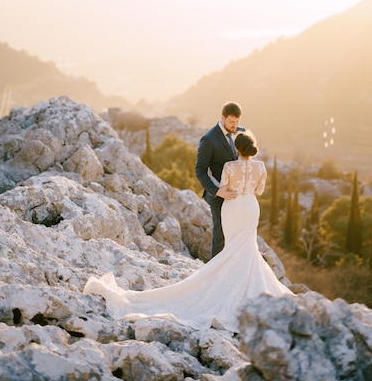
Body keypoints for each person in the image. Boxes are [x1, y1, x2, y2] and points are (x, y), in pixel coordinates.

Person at [83, 130, 294, 333]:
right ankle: (247, 287)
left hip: (233, 207)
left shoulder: (230, 166)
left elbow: (224, 187)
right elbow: (260, 190)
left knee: (231, 248)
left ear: (237, 149)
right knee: (248, 248)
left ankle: (227, 284)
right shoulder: (261, 167)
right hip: (250, 208)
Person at [195, 101, 244, 257]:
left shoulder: (240, 133)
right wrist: (217, 191)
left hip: (237, 195)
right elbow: (200, 170)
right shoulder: (208, 139)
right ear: (222, 118)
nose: (234, 125)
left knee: (236, 234)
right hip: (218, 195)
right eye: (231, 122)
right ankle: (216, 275)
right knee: (220, 235)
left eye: (237, 122)